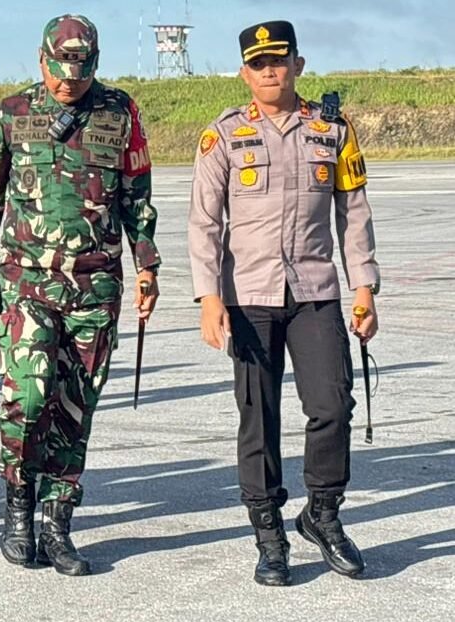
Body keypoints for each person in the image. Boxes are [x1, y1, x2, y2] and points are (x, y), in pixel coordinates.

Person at [0, 14, 160, 576]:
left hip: (95, 286)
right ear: (41, 60)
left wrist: (147, 266)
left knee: (74, 406)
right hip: (27, 283)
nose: (70, 82)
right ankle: (18, 505)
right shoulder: (12, 114)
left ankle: (58, 521)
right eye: (62, 72)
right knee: (28, 397)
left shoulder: (120, 112)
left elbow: (136, 196)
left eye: (82, 73)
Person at [188, 20, 378, 586]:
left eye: (280, 60)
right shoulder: (222, 136)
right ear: (245, 72)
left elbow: (355, 212)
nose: (270, 71)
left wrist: (364, 284)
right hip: (248, 295)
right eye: (259, 63)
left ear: (299, 64)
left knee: (332, 406)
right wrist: (208, 298)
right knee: (259, 416)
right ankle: (268, 533)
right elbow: (204, 224)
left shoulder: (333, 130)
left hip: (316, 291)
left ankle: (322, 514)